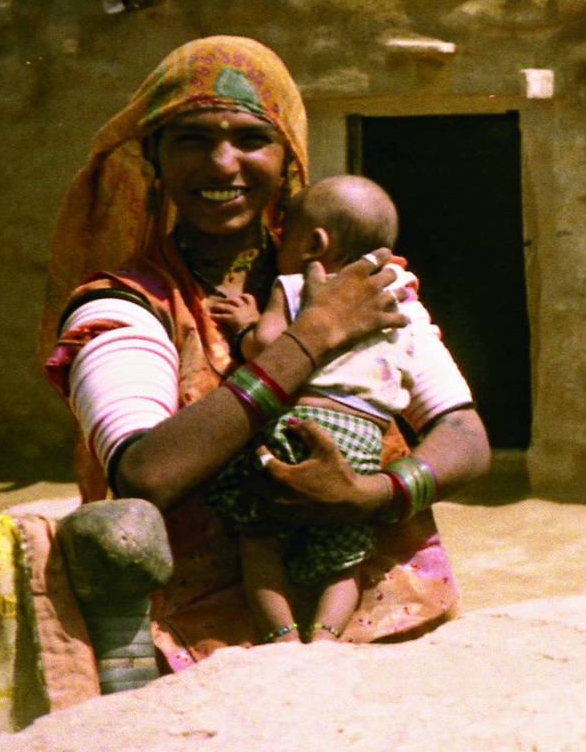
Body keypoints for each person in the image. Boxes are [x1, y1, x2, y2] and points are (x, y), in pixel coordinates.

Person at [42, 36, 490, 667]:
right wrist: (312, 339)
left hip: (385, 633)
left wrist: (374, 497)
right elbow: (145, 471)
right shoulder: (123, 305)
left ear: (288, 158)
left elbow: (465, 436)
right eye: (192, 139)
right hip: (198, 650)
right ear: (155, 157)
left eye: (252, 139)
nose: (222, 164)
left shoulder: (361, 282)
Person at [202, 175, 473, 645]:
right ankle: (327, 636)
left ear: (315, 243)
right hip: (363, 441)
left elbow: (268, 345)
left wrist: (246, 324)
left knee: (259, 536)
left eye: (283, 234)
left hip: (303, 425)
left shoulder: (296, 284)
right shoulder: (404, 303)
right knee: (345, 553)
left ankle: (282, 636)